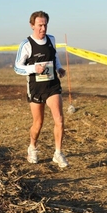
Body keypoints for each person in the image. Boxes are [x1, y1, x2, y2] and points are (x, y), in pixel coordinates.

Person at [14, 10, 69, 168]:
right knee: (38, 123)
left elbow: (55, 56)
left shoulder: (51, 39)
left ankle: (58, 153)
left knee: (59, 119)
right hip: (36, 87)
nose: (43, 28)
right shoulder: (26, 44)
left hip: (52, 85)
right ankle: (32, 147)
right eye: (40, 25)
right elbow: (17, 67)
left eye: (45, 25)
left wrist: (59, 68)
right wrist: (33, 68)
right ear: (32, 25)